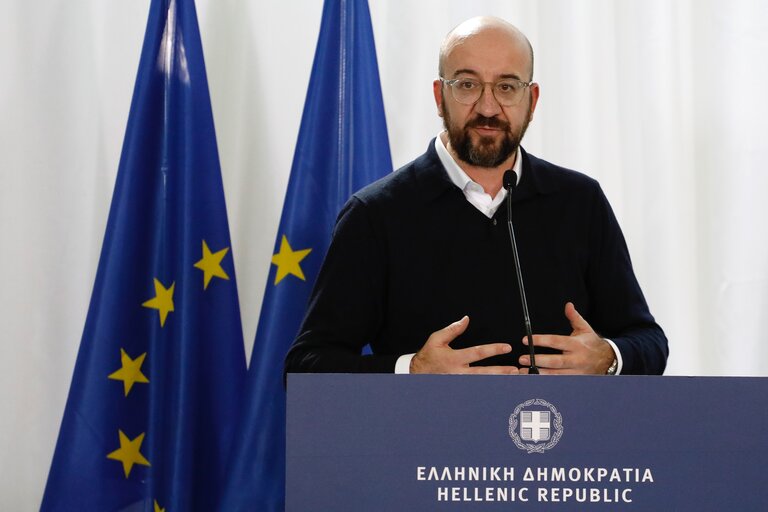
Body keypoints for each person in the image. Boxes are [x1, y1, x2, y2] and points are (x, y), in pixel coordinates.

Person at [284, 16, 668, 376]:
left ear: (532, 101)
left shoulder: (580, 201)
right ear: (440, 96)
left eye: (506, 87)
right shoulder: (376, 214)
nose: (488, 107)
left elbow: (647, 341)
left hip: (557, 440)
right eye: (467, 84)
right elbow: (306, 365)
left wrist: (608, 358)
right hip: (428, 443)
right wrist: (412, 370)